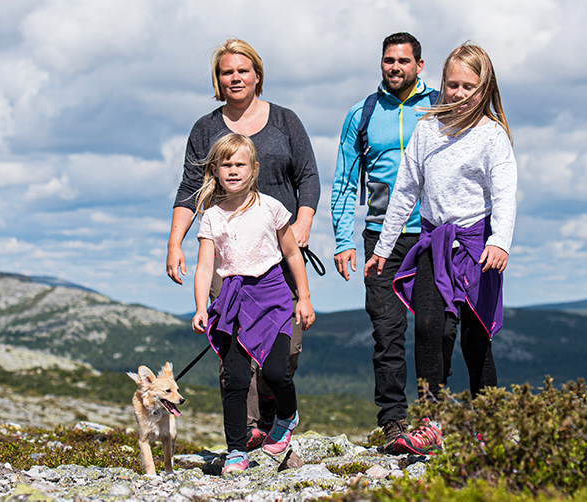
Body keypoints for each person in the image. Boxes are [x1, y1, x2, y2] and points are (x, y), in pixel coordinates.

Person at [364, 42, 517, 455]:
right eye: (452, 85)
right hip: (434, 243)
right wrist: (383, 246)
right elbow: (405, 191)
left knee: (474, 339)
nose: (459, 94)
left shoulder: (492, 136)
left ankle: (489, 424)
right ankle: (432, 423)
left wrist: (500, 241)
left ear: (484, 88)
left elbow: (504, 195)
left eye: (469, 86)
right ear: (443, 84)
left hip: (477, 246)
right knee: (430, 329)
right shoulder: (427, 128)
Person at [167, 39, 319, 451]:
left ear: (257, 75)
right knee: (234, 353)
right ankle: (247, 432)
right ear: (218, 79)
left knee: (284, 356)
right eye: (225, 72)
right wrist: (175, 242)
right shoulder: (205, 128)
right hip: (227, 256)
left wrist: (303, 221)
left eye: (242, 70)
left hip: (280, 250)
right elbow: (188, 186)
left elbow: (308, 177)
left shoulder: (285, 121)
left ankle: (273, 415)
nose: (234, 77)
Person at [329, 32, 439, 455]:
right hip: (379, 238)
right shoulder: (362, 113)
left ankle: (433, 417)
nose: (395, 68)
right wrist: (342, 240)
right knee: (387, 332)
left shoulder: (439, 107)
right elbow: (343, 181)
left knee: (434, 329)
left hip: (430, 232)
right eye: (388, 61)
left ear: (419, 65)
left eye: (403, 61)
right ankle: (393, 422)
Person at [190, 133, 315, 473]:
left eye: (239, 164)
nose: (233, 171)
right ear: (215, 170)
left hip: (272, 297)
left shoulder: (272, 208)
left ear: (254, 169)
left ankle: (287, 416)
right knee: (235, 378)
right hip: (232, 300)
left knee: (276, 372)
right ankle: (235, 450)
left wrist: (303, 298)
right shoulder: (211, 217)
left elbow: (292, 253)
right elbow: (205, 266)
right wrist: (202, 306)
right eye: (226, 165)